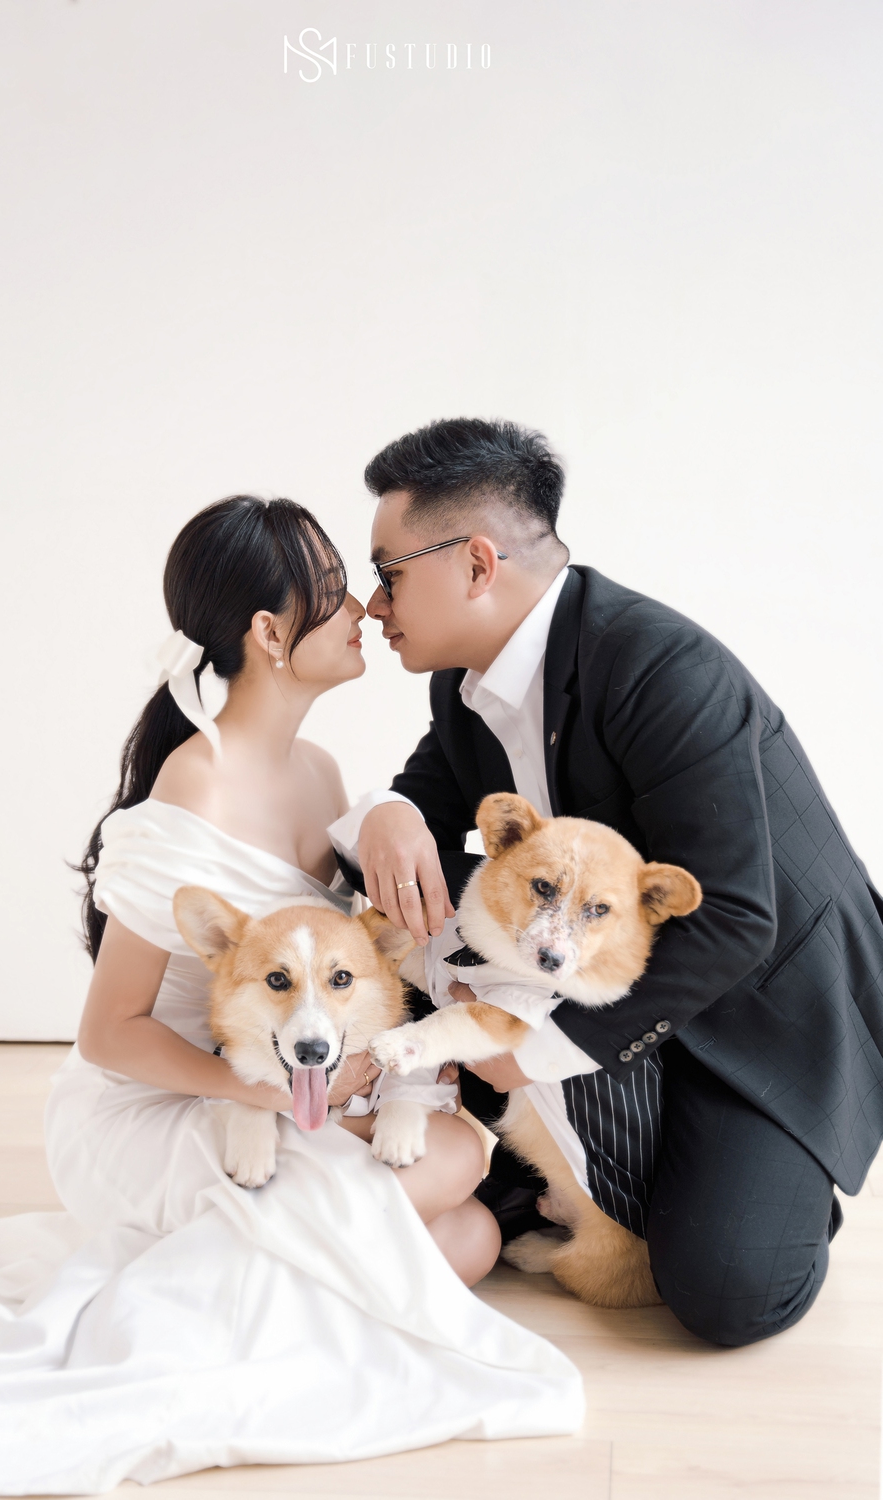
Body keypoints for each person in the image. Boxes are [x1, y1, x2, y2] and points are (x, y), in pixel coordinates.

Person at [0, 495, 583, 1496]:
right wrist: (258, 1095)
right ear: (267, 633)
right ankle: (230, 1304)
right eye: (338, 596)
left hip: (274, 1086)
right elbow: (108, 1033)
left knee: (469, 1226)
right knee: (458, 1172)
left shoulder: (317, 768)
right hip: (160, 1104)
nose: (365, 616)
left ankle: (280, 1279)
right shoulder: (193, 787)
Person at [331, 417, 883, 1349]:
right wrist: (387, 806)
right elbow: (422, 811)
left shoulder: (660, 668)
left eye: (386, 574)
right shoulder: (466, 683)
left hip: (760, 1005)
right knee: (443, 910)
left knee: (729, 1291)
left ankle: (758, 1175)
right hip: (596, 969)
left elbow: (742, 918)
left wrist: (538, 1047)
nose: (370, 606)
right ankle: (580, 1162)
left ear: (475, 563)